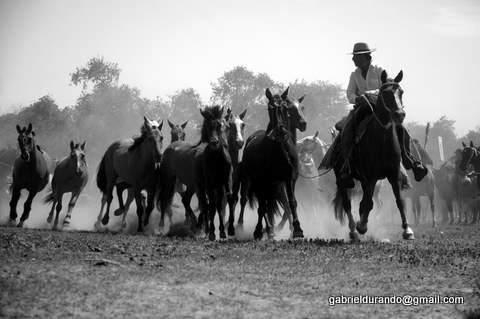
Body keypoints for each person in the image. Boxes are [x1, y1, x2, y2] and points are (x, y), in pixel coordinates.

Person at [335, 42, 428, 188]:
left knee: (401, 129)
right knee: (346, 128)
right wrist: (356, 98)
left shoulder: (379, 70)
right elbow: (350, 93)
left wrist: (368, 94)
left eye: (356, 57)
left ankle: (411, 161)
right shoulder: (354, 75)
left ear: (365, 57)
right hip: (362, 108)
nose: (353, 60)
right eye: (353, 57)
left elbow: (387, 88)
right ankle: (347, 165)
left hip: (380, 108)